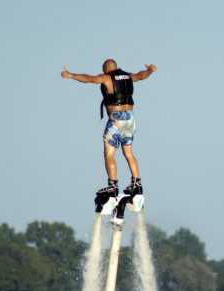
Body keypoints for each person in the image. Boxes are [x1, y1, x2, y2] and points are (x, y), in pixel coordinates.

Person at [61, 59, 157, 197]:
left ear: (105, 69)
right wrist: (150, 71)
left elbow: (89, 79)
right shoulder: (128, 76)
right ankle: (137, 184)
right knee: (128, 153)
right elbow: (141, 75)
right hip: (130, 119)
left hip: (116, 120)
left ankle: (112, 186)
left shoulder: (106, 77)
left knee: (109, 154)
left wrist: (71, 75)